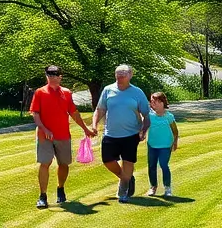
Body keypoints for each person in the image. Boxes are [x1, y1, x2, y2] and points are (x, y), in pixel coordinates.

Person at [30, 65, 95, 209]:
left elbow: (73, 112)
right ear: (46, 76)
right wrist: (44, 128)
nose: (52, 77)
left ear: (60, 76)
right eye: (49, 75)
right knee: (44, 163)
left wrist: (85, 129)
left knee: (64, 164)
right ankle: (43, 196)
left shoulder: (66, 93)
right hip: (44, 136)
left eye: (55, 75)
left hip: (63, 134)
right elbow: (35, 113)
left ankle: (60, 188)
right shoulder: (40, 92)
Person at [92, 64, 150, 202]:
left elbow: (146, 115)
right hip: (110, 133)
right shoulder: (108, 90)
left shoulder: (137, 92)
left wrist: (143, 130)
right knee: (107, 161)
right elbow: (100, 110)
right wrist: (94, 125)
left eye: (123, 75)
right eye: (117, 74)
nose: (119, 77)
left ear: (130, 75)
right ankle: (127, 177)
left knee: (128, 161)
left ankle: (123, 190)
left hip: (131, 134)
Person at [145, 91, 179, 196]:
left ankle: (167, 188)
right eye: (151, 102)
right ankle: (153, 187)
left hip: (165, 145)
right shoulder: (150, 115)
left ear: (161, 102)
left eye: (154, 102)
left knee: (164, 165)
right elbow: (144, 126)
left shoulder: (169, 116)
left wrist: (175, 142)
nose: (152, 104)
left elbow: (175, 131)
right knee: (151, 166)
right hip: (152, 145)